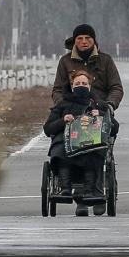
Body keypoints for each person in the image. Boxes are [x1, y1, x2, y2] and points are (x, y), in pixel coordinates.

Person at [43, 70, 112, 216]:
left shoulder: (97, 104)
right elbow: (48, 128)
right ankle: (65, 188)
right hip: (66, 139)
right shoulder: (62, 105)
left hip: (89, 140)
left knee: (92, 150)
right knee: (60, 149)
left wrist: (100, 116)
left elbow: (114, 127)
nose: (81, 86)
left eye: (84, 84)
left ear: (90, 86)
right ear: (72, 86)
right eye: (77, 83)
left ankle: (89, 191)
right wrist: (63, 120)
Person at [51, 24, 124, 110]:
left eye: (88, 38)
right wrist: (63, 106)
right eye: (80, 38)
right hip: (71, 110)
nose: (84, 41)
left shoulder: (105, 60)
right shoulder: (65, 61)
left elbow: (116, 87)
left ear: (94, 40)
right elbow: (57, 90)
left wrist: (110, 105)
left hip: (101, 109)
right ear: (74, 41)